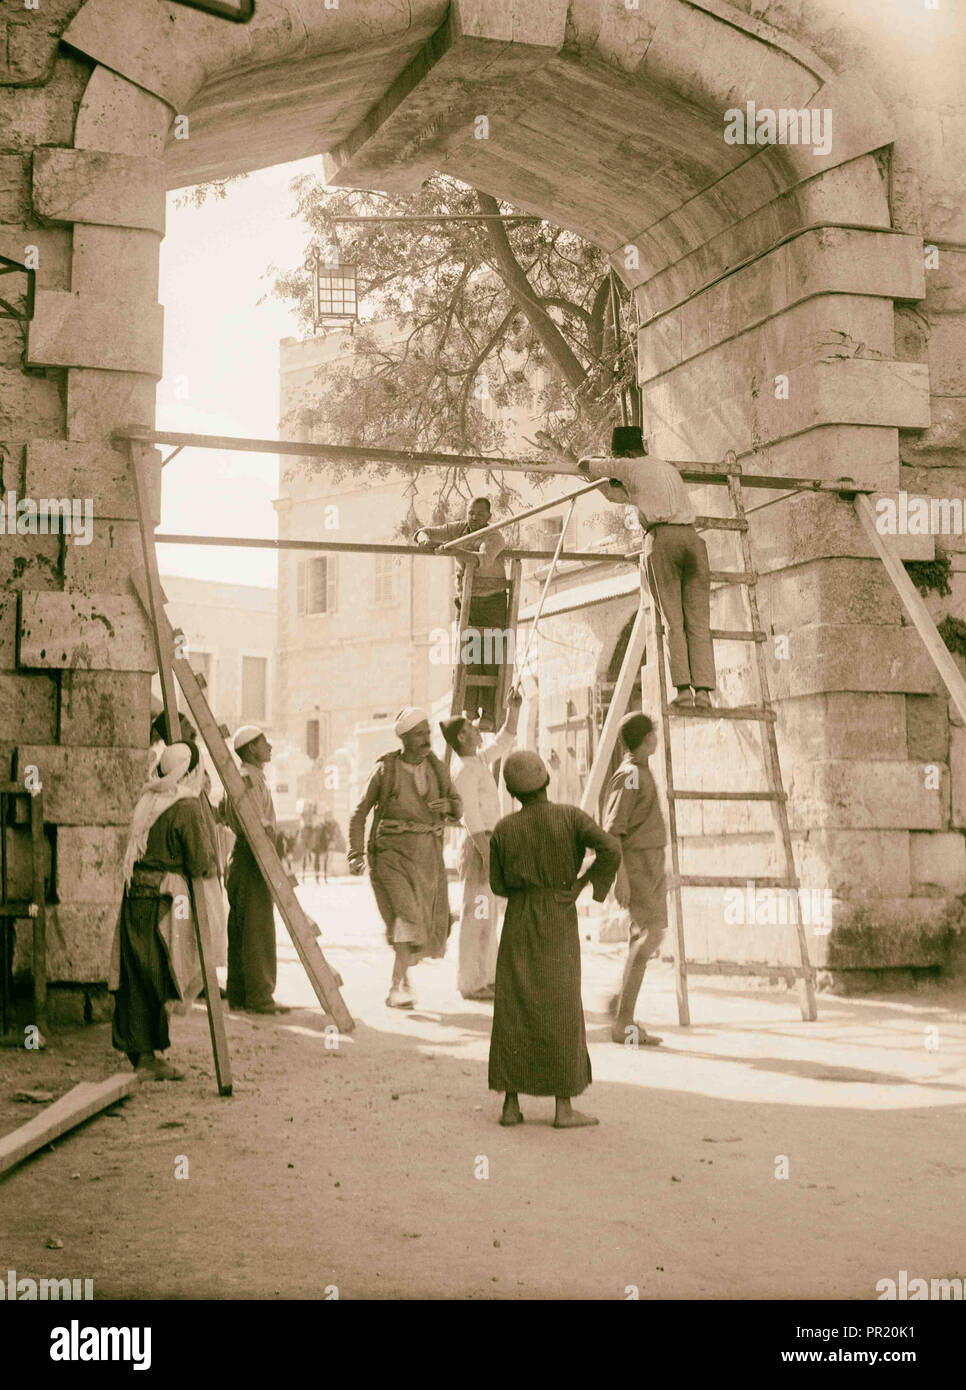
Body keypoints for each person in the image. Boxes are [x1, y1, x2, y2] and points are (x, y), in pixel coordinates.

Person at [488, 750, 621, 1129]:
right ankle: (563, 1109)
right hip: (559, 916)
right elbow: (611, 848)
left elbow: (498, 885)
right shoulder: (571, 817)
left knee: (514, 1005)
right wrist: (583, 885)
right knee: (561, 1005)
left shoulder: (503, 829)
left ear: (513, 793)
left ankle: (511, 1106)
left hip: (519, 920)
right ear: (547, 780)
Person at [581, 425, 715, 710]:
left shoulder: (629, 466)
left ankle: (683, 691)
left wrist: (597, 467)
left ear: (626, 454)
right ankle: (703, 691)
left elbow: (586, 466)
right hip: (692, 539)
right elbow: (621, 495)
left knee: (673, 621)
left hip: (663, 539)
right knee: (699, 622)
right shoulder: (666, 469)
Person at [109, 741, 218, 1080]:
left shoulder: (152, 799)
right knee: (161, 974)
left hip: (137, 896)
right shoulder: (185, 806)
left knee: (138, 973)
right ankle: (146, 1057)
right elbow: (200, 862)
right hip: (164, 902)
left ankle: (144, 1053)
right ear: (191, 771)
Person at [348, 707, 462, 1009]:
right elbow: (359, 813)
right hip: (391, 855)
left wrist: (448, 807)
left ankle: (401, 985)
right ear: (405, 739)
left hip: (427, 857)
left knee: (422, 925)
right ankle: (397, 986)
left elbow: (457, 804)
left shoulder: (436, 767)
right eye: (419, 735)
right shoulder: (385, 770)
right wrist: (355, 853)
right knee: (408, 915)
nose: (427, 739)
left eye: (427, 733)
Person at [441, 688, 522, 1001]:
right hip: (479, 847)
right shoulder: (464, 770)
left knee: (488, 914)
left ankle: (487, 978)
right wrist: (488, 857)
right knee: (477, 915)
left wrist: (513, 709)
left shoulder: (477, 762)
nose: (477, 729)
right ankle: (471, 982)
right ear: (462, 738)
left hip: (489, 845)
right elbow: (471, 819)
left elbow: (503, 741)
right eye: (470, 728)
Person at [603, 712, 667, 1047]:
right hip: (638, 865)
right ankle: (622, 1021)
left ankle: (621, 1009)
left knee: (643, 937)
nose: (656, 739)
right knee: (652, 935)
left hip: (652, 863)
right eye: (652, 734)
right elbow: (614, 831)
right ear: (644, 740)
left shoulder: (641, 770)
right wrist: (621, 878)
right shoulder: (628, 775)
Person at [416, 497, 509, 727]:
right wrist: (424, 539)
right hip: (468, 602)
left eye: (479, 514)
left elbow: (481, 561)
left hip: (492, 602)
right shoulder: (460, 529)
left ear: (489, 517)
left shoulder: (494, 536)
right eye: (471, 513)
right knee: (468, 654)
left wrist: (452, 550)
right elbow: (424, 531)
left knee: (490, 656)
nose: (474, 517)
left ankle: (488, 713)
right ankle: (469, 710)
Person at [224, 725, 290, 1015]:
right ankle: (260, 997)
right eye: (265, 742)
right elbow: (256, 826)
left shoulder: (252, 778)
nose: (270, 746)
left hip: (247, 858)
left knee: (243, 928)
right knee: (257, 929)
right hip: (253, 858)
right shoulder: (246, 780)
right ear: (251, 749)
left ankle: (240, 995)